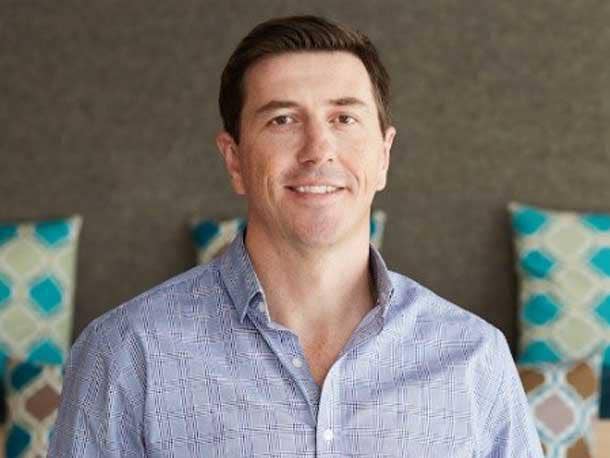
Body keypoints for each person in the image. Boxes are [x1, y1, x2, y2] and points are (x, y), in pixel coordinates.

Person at [49, 15, 543, 457]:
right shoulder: (125, 354)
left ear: (383, 156)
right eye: (283, 120)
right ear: (235, 160)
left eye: (344, 118)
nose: (317, 149)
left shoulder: (473, 357)